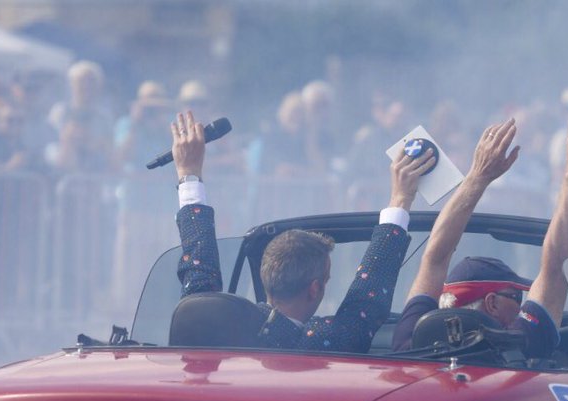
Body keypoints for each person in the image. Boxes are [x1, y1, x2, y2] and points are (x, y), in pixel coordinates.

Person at [170, 110, 434, 353]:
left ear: (267, 277)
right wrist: (401, 199)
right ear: (315, 288)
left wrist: (188, 173)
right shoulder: (321, 342)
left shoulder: (212, 325)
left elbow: (199, 267)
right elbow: (367, 298)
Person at [391, 102, 568, 358]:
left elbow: (435, 257)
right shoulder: (517, 345)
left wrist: (477, 175)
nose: (522, 305)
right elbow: (557, 264)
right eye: (515, 297)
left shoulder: (410, 340)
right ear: (492, 303)